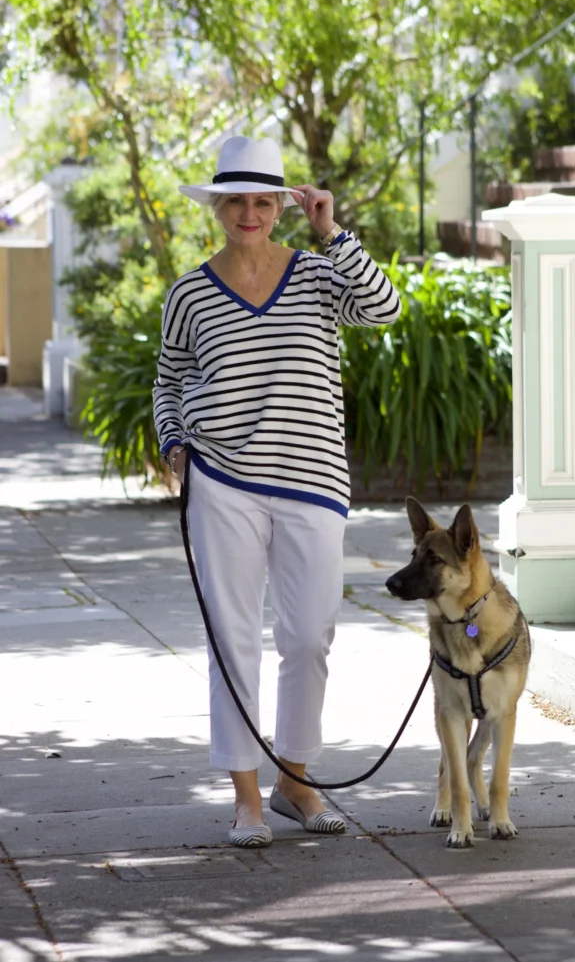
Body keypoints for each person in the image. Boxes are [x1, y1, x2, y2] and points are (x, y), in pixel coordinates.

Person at [153, 135, 402, 847]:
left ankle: (295, 780)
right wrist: (174, 442)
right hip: (221, 478)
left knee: (309, 633)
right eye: (238, 201)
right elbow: (168, 379)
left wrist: (333, 232)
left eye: (264, 201)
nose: (251, 212)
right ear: (220, 208)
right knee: (233, 639)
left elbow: (383, 308)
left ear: (282, 208)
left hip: (312, 478)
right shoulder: (189, 293)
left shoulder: (319, 275)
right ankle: (246, 800)